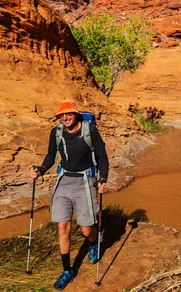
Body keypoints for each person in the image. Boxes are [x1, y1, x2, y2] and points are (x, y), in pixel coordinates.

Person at [29, 101, 108, 290]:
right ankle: (67, 271)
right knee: (62, 226)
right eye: (61, 116)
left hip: (85, 182)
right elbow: (50, 156)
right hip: (63, 181)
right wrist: (41, 169)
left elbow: (102, 157)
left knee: (86, 230)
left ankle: (92, 243)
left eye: (68, 115)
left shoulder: (90, 131)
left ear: (76, 114)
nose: (65, 118)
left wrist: (102, 178)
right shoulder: (56, 133)